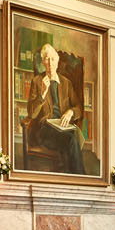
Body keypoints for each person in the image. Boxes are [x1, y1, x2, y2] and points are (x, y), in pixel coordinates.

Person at [23, 43, 87, 174]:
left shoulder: (66, 83)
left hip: (62, 127)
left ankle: (70, 177)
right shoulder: (37, 81)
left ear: (57, 62)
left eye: (52, 59)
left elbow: (79, 108)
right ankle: (80, 177)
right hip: (45, 130)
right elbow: (32, 113)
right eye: (47, 59)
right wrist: (42, 94)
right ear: (43, 62)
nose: (50, 63)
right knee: (71, 139)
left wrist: (71, 112)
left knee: (70, 138)